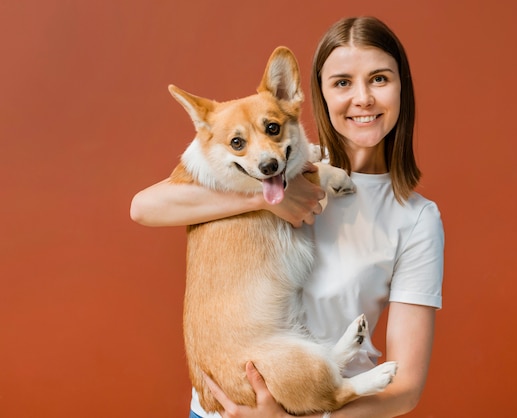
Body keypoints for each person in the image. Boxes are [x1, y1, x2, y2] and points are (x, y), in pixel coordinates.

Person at [130, 16, 444, 418]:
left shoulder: (416, 219)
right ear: (319, 93)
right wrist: (267, 199)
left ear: (402, 88)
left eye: (380, 79)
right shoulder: (268, 174)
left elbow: (406, 389)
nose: (362, 98)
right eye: (343, 82)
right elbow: (143, 207)